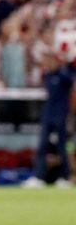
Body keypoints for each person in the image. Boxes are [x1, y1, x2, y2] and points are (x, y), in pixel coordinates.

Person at [22, 52, 74, 188]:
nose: (49, 64)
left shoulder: (64, 76)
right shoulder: (47, 75)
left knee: (61, 147)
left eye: (51, 61)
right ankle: (39, 177)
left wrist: (63, 67)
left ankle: (64, 177)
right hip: (48, 115)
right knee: (42, 147)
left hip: (61, 115)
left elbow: (70, 81)